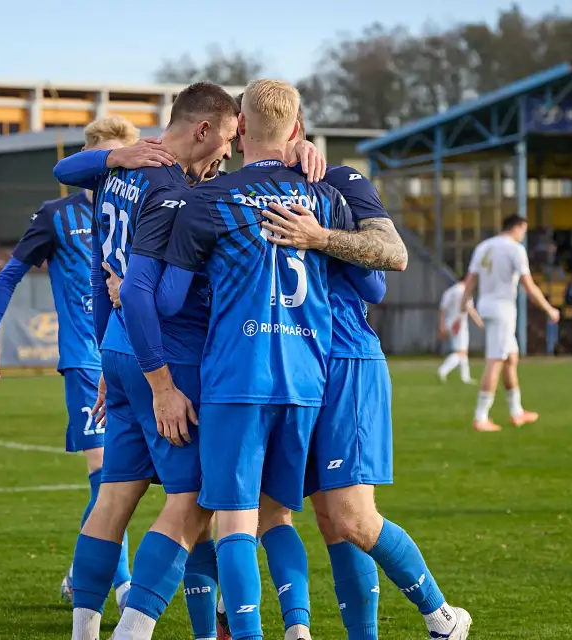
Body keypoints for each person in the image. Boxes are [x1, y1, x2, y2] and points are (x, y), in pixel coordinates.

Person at [152, 78, 385, 640]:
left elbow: (169, 300)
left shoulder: (210, 200)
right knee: (279, 515)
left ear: (241, 127)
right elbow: (373, 284)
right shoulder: (326, 196)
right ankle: (300, 629)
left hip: (238, 375)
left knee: (234, 520)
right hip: (307, 381)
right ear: (297, 129)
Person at [255, 109, 472, 640]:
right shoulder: (231, 189)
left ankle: (441, 617)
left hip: (345, 362)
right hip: (283, 368)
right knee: (288, 515)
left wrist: (321, 236)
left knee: (350, 518)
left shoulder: (335, 178)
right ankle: (302, 629)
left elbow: (384, 270)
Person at [57, 82, 239, 640]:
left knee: (115, 495)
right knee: (192, 501)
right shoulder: (169, 189)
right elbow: (140, 294)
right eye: (228, 138)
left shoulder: (119, 174)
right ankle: (132, 631)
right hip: (167, 354)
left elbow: (97, 272)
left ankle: (84, 630)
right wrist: (160, 383)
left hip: (119, 349)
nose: (228, 152)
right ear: (202, 129)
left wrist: (110, 353)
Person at [0, 117, 174, 611]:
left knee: (144, 483)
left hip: (143, 359)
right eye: (106, 163)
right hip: (87, 364)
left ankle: (83, 569)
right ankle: (123, 585)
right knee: (107, 477)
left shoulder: (147, 209)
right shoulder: (56, 215)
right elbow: (10, 275)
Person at [461, 215, 560, 432]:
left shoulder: (484, 247)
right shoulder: (514, 249)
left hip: (487, 305)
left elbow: (470, 279)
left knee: (510, 358)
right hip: (502, 309)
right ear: (518, 228)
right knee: (496, 360)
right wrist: (548, 308)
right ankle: (480, 417)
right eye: (524, 230)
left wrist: (464, 304)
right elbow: (528, 285)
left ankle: (516, 412)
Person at [438, 278, 483, 384]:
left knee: (463, 351)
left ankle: (465, 377)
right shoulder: (464, 291)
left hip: (451, 322)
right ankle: (443, 370)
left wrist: (442, 325)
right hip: (459, 323)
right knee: (460, 352)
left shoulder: (450, 291)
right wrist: (479, 321)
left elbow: (442, 308)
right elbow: (469, 309)